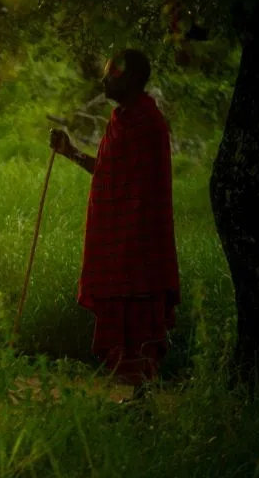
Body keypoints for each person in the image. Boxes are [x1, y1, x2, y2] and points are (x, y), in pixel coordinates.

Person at [49, 49, 180, 400]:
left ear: (133, 79)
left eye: (113, 73)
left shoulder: (148, 124)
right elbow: (109, 175)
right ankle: (137, 398)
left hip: (138, 244)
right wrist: (70, 151)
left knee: (139, 319)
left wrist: (129, 241)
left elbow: (147, 194)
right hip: (117, 243)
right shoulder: (120, 120)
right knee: (123, 320)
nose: (105, 79)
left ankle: (143, 396)